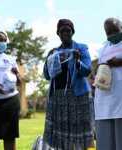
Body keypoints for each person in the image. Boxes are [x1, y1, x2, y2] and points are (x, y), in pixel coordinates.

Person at [43, 19, 94, 150]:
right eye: (62, 31)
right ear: (58, 33)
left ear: (73, 32)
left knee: (83, 134)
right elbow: (48, 76)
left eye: (68, 31)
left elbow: (87, 71)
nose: (65, 33)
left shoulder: (81, 48)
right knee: (62, 136)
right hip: (58, 98)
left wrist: (77, 61)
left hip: (78, 96)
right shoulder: (55, 52)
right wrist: (47, 60)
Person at [94, 17, 122, 150]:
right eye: (109, 32)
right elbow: (96, 70)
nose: (112, 34)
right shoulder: (103, 49)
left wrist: (119, 62)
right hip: (105, 101)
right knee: (106, 142)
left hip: (120, 99)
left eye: (115, 31)